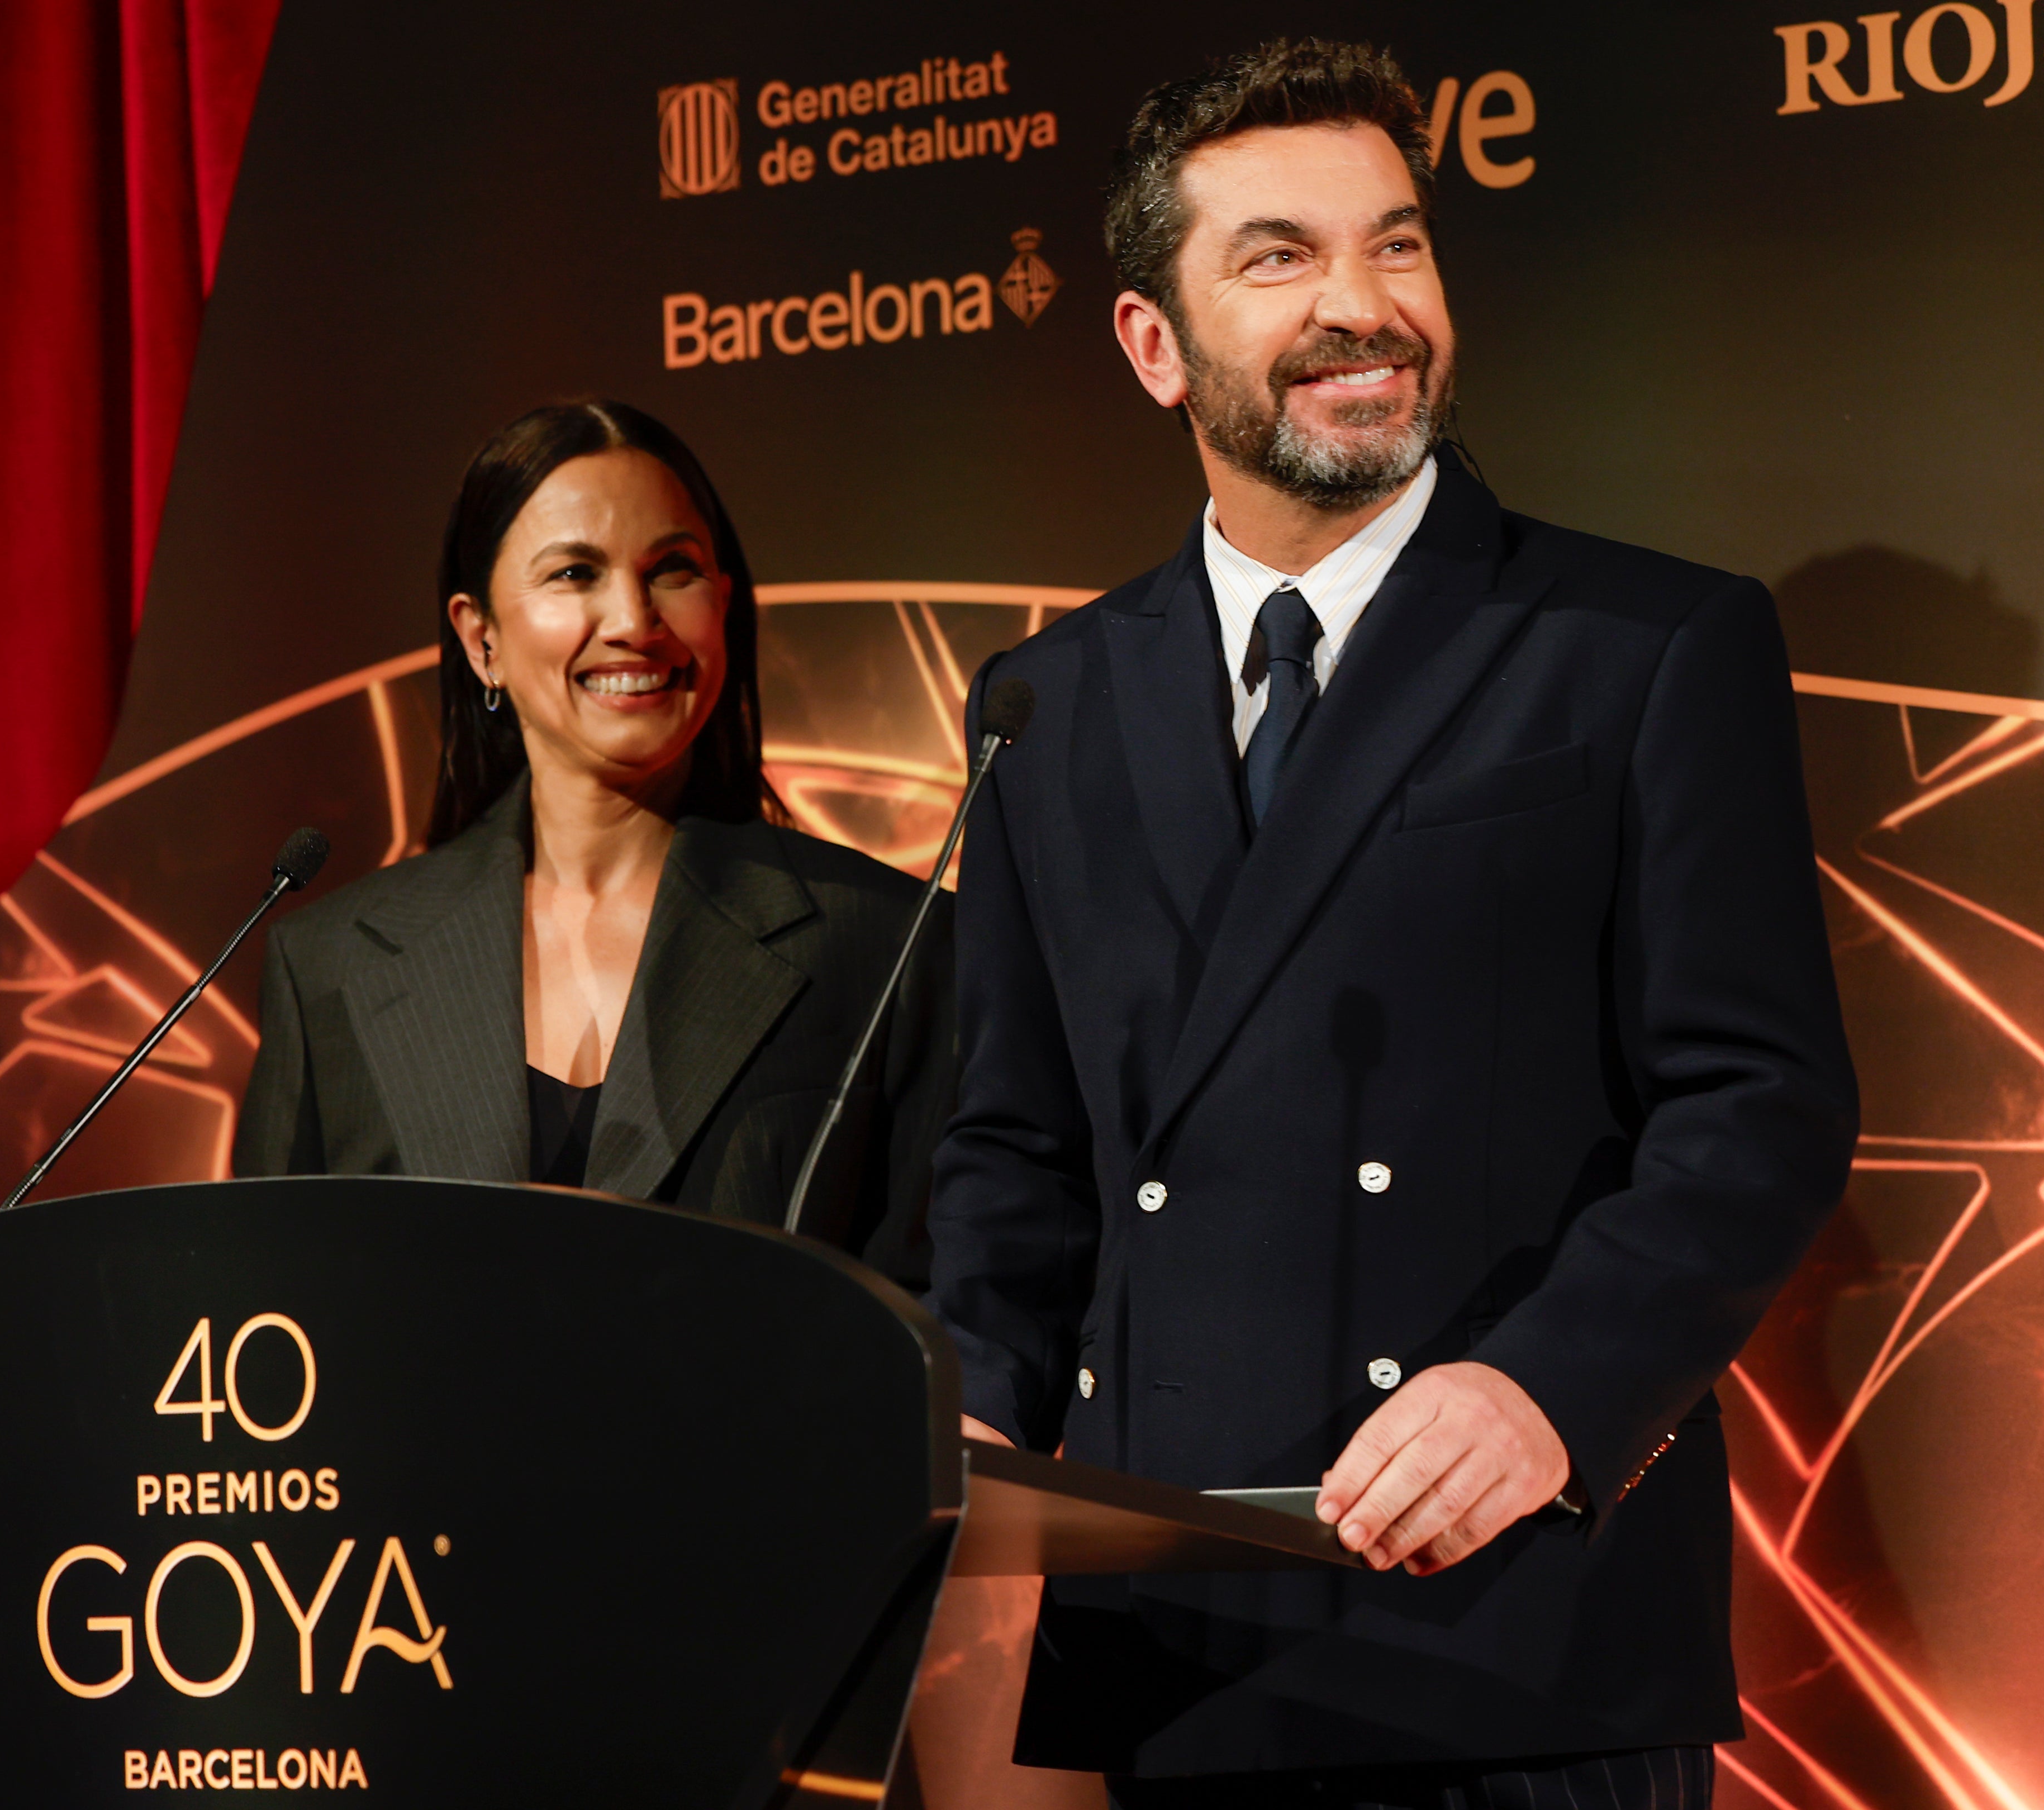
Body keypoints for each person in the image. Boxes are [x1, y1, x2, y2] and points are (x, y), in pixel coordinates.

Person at [925, 40, 1857, 1806]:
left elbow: (1760, 1108)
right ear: (1151, 345)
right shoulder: (1045, 701)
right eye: (1279, 256)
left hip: (1511, 1625)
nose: (1364, 307)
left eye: (1399, 244)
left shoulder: (1642, 646)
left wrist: (1547, 1396)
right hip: (1174, 1637)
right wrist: (975, 1399)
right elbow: (1018, 1142)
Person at [234, 401, 949, 1287]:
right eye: (574, 574)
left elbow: (935, 1315)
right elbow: (262, 1312)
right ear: (480, 638)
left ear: (723, 605)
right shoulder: (330, 965)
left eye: (673, 570)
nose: (632, 620)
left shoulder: (889, 942)